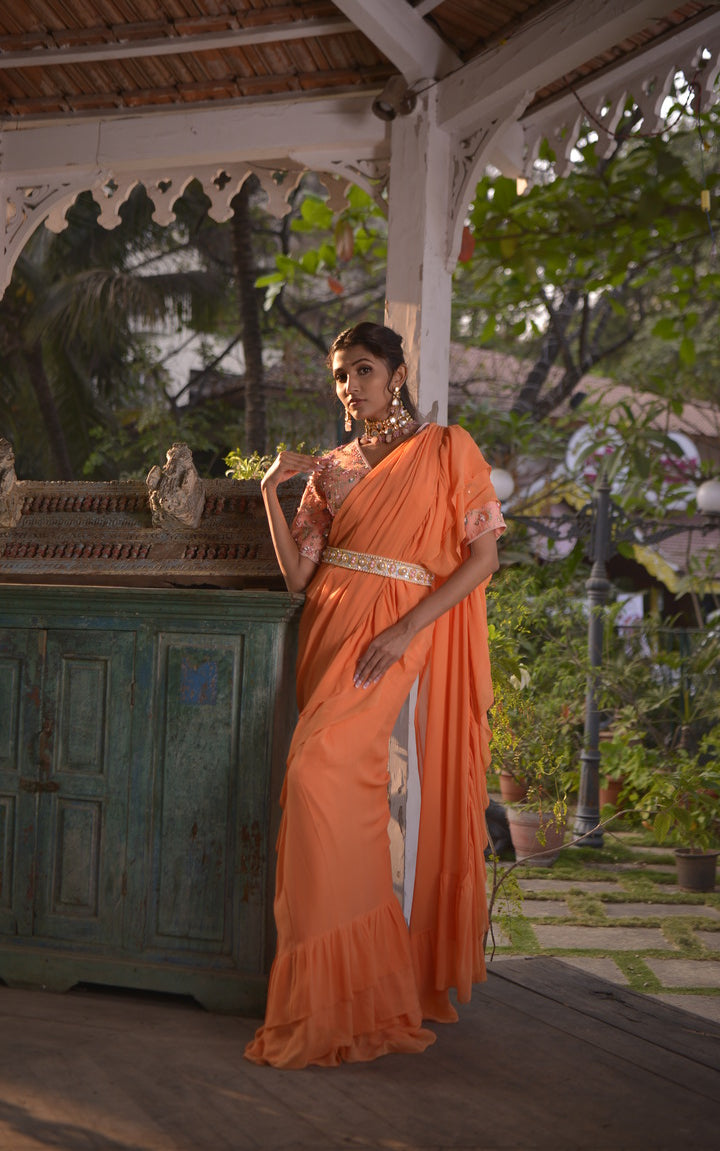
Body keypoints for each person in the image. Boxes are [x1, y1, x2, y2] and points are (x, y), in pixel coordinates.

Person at [244, 322, 506, 1069]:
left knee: (314, 774)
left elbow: (483, 556)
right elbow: (298, 576)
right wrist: (272, 491)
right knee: (326, 792)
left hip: (395, 628)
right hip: (328, 626)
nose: (349, 385)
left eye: (362, 369)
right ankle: (339, 992)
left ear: (396, 372)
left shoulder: (449, 449)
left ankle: (352, 985)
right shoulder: (329, 467)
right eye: (338, 376)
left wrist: (408, 627)